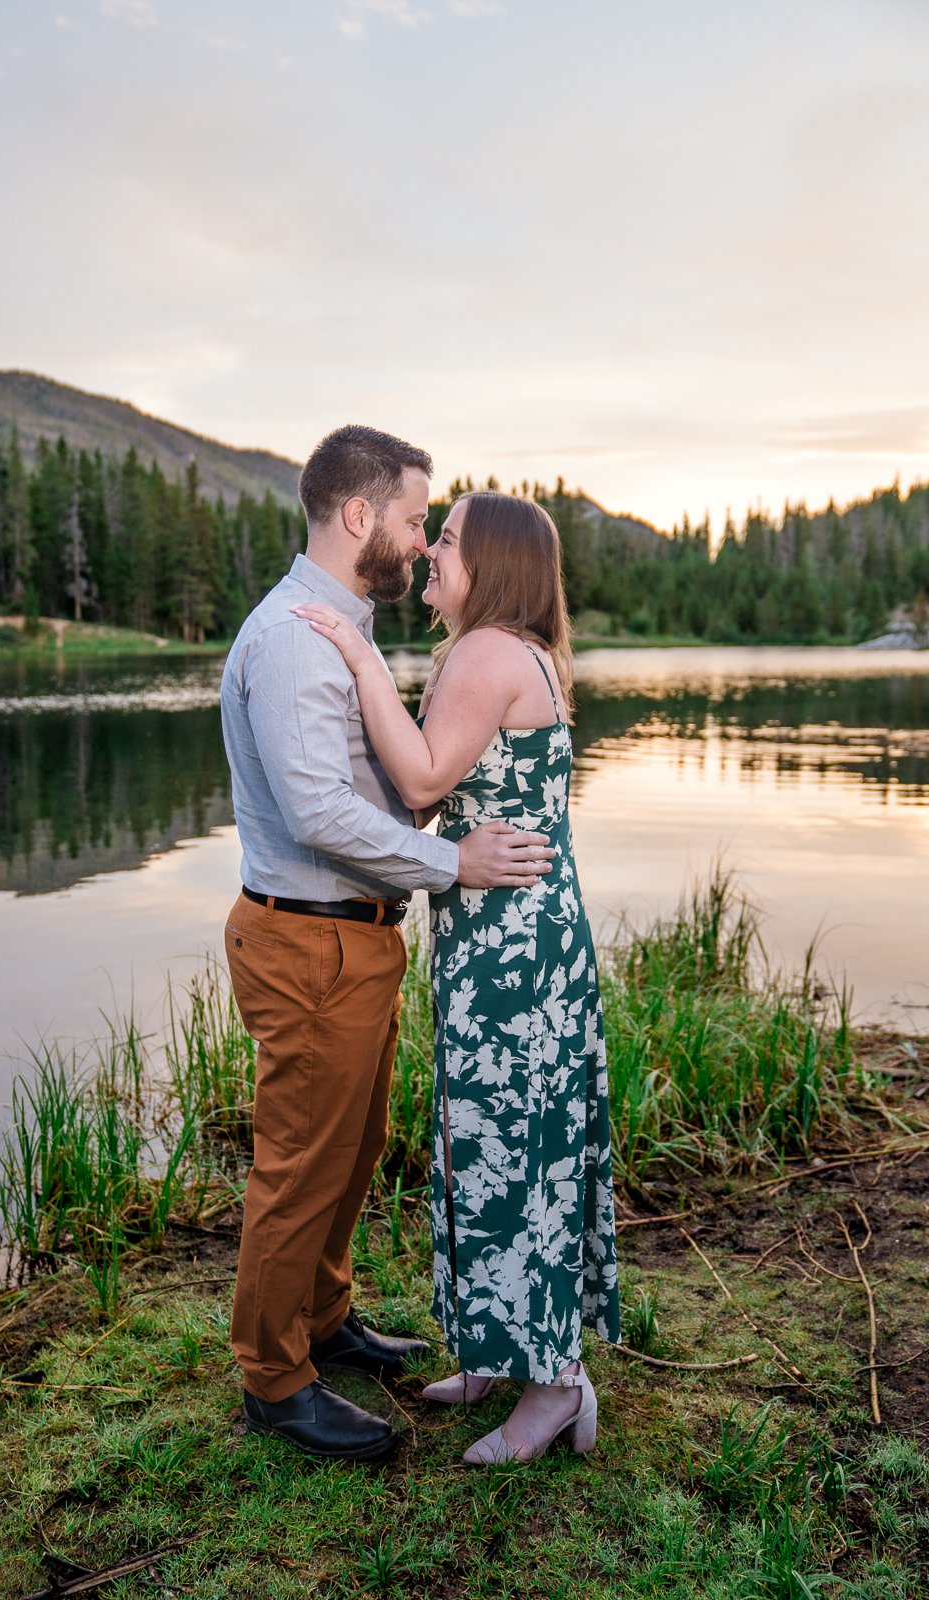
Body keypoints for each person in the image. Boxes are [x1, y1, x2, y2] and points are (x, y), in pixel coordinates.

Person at [220, 427, 555, 1463]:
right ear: (359, 516)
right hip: (307, 941)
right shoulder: (289, 641)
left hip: (354, 939)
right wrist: (452, 860)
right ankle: (275, 1380)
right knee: (300, 1163)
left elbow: (388, 782)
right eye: (415, 520)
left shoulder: (339, 634)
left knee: (350, 1148)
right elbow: (320, 811)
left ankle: (323, 1322)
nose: (420, 543)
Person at [294, 489, 620, 1465]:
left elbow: (426, 781)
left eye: (446, 540)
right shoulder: (515, 650)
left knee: (512, 1145)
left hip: (511, 946)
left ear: (494, 563)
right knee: (480, 1138)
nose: (429, 551)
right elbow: (437, 801)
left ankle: (554, 1388)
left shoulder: (484, 653)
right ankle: (490, 1348)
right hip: (515, 933)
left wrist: (357, 661)